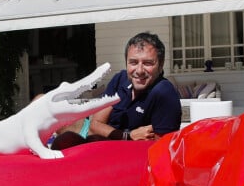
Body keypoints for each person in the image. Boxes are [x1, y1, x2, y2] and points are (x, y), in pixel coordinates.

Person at [51, 32, 182, 149]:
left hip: (120, 152)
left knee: (69, 141)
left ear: (161, 64)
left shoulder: (164, 93)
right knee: (61, 137)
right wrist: (128, 136)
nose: (140, 70)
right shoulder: (120, 79)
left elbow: (161, 150)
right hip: (101, 138)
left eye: (148, 63)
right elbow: (95, 124)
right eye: (133, 62)